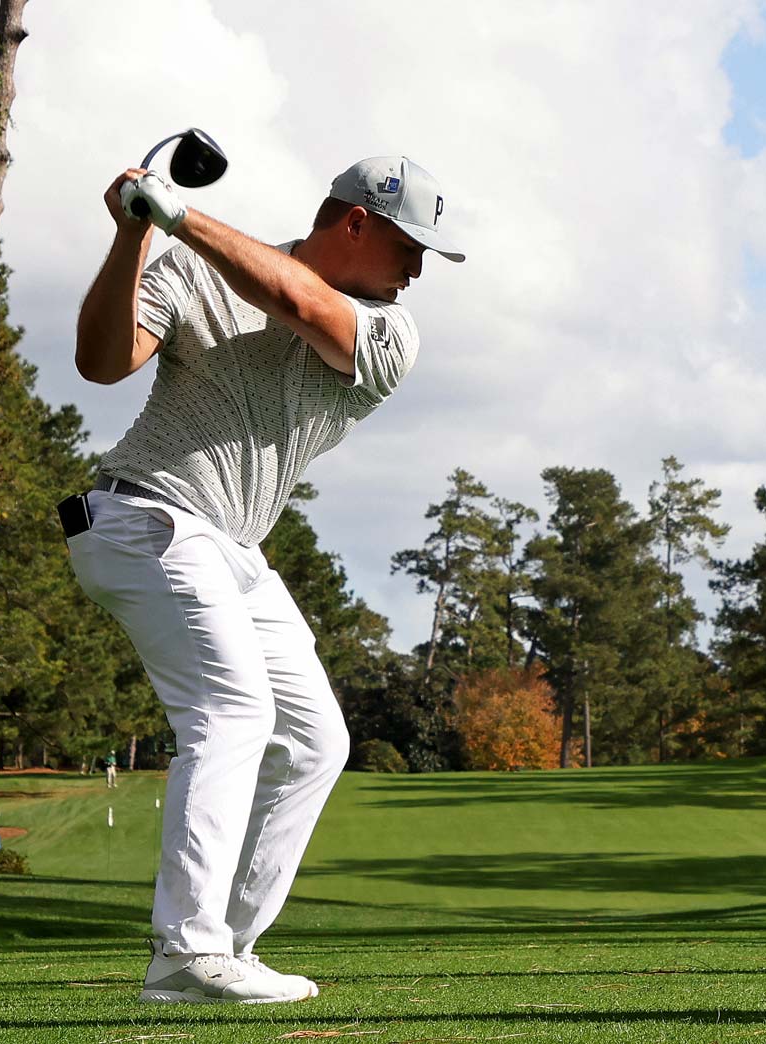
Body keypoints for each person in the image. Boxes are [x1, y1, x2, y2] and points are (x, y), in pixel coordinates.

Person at [62, 154, 463, 1005]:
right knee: (234, 709)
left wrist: (173, 215)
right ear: (356, 222)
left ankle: (225, 946)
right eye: (410, 247)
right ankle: (187, 950)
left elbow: (295, 300)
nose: (419, 270)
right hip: (145, 516)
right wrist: (132, 236)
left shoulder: (391, 332)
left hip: (231, 549)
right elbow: (101, 363)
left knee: (317, 742)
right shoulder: (188, 266)